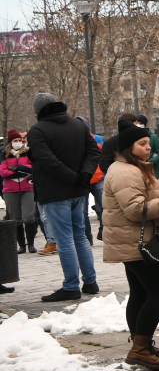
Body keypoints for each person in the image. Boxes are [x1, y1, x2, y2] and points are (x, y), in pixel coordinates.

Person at [102, 124, 159, 371]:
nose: (148, 147)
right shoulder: (126, 172)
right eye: (142, 144)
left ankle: (142, 344)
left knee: (141, 293)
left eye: (148, 142)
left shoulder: (131, 168)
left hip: (135, 242)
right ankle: (140, 349)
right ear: (128, 148)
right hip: (138, 243)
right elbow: (134, 209)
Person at [28, 92, 100, 302]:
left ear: (38, 111)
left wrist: (72, 177)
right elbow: (93, 152)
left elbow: (46, 159)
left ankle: (70, 285)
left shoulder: (38, 130)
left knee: (64, 238)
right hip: (78, 190)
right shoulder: (78, 125)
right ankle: (90, 281)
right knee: (79, 235)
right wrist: (84, 176)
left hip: (55, 191)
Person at [2, 130, 40, 267]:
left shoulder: (27, 153)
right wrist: (16, 171)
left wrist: (18, 168)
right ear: (10, 142)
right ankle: (21, 245)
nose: (18, 143)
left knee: (29, 216)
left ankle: (31, 244)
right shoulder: (4, 155)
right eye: (15, 140)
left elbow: (32, 168)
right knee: (15, 218)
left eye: (20, 140)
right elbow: (3, 171)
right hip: (10, 190)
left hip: (26, 188)